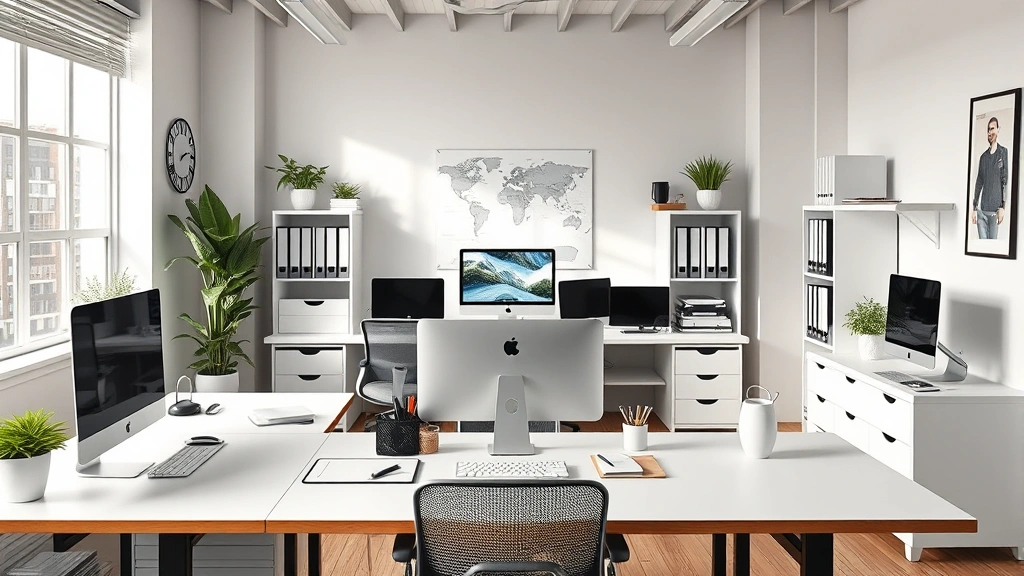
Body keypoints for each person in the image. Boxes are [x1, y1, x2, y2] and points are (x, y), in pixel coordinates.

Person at [972, 116, 1009, 239]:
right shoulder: (983, 157)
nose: (990, 132)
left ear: (998, 130)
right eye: (988, 130)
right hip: (982, 211)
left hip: (995, 212)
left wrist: (1003, 207)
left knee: (993, 246)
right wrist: (974, 208)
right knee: (982, 246)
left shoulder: (1003, 152)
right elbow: (979, 182)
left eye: (992, 129)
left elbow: (1004, 180)